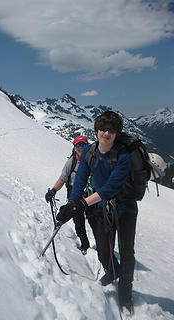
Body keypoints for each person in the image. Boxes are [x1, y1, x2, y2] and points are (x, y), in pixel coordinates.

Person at [56, 111, 137, 313]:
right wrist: (72, 202)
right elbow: (80, 179)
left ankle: (126, 294)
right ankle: (112, 270)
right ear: (96, 130)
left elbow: (111, 187)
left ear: (117, 133)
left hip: (126, 209)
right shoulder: (90, 153)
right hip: (103, 208)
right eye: (103, 129)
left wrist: (82, 204)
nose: (106, 133)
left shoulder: (123, 155)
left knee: (126, 252)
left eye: (111, 130)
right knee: (103, 250)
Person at [45, 136, 91, 254]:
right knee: (78, 220)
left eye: (83, 144)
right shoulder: (71, 162)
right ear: (74, 148)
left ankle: (102, 249)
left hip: (90, 194)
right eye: (78, 145)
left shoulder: (93, 161)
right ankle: (85, 244)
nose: (80, 147)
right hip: (74, 193)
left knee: (94, 220)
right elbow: (63, 179)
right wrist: (53, 190)